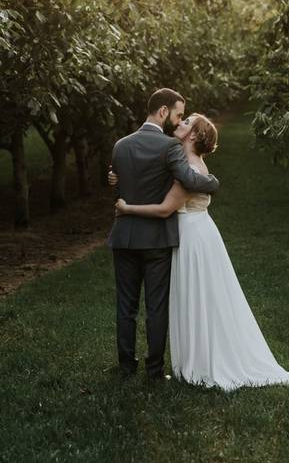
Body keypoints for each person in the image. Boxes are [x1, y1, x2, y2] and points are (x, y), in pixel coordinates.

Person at [113, 113, 289, 392]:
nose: (179, 123)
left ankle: (202, 363)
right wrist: (115, 176)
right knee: (199, 299)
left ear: (193, 136)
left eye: (186, 122)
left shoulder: (190, 169)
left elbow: (166, 208)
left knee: (197, 298)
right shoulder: (184, 163)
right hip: (196, 233)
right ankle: (193, 358)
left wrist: (127, 208)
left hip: (191, 238)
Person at [106, 88, 220, 380]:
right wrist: (213, 182)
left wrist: (115, 180)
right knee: (156, 308)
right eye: (178, 114)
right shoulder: (169, 147)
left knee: (125, 306)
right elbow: (189, 178)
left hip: (124, 236)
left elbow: (122, 182)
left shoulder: (120, 145)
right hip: (156, 238)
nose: (178, 120)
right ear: (162, 111)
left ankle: (126, 367)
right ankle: (154, 370)